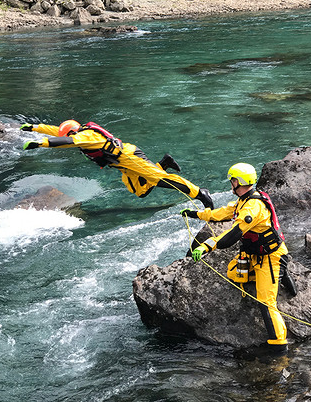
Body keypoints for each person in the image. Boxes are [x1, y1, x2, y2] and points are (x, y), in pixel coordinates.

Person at [184, 162, 295, 357]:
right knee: (234, 272)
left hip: (271, 257)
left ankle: (279, 347)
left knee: (266, 303)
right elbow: (224, 213)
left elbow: (232, 236)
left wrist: (207, 245)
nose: (231, 184)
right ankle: (277, 276)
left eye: (233, 180)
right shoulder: (244, 200)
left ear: (240, 181)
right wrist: (196, 214)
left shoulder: (253, 206)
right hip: (254, 255)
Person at [20, 119, 213, 208]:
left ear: (72, 132)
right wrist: (33, 128)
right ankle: (164, 162)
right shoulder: (78, 130)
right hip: (122, 165)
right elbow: (57, 131)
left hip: (129, 157)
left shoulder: (85, 135)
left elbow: (67, 141)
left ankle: (199, 193)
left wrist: (41, 143)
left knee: (159, 179)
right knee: (141, 192)